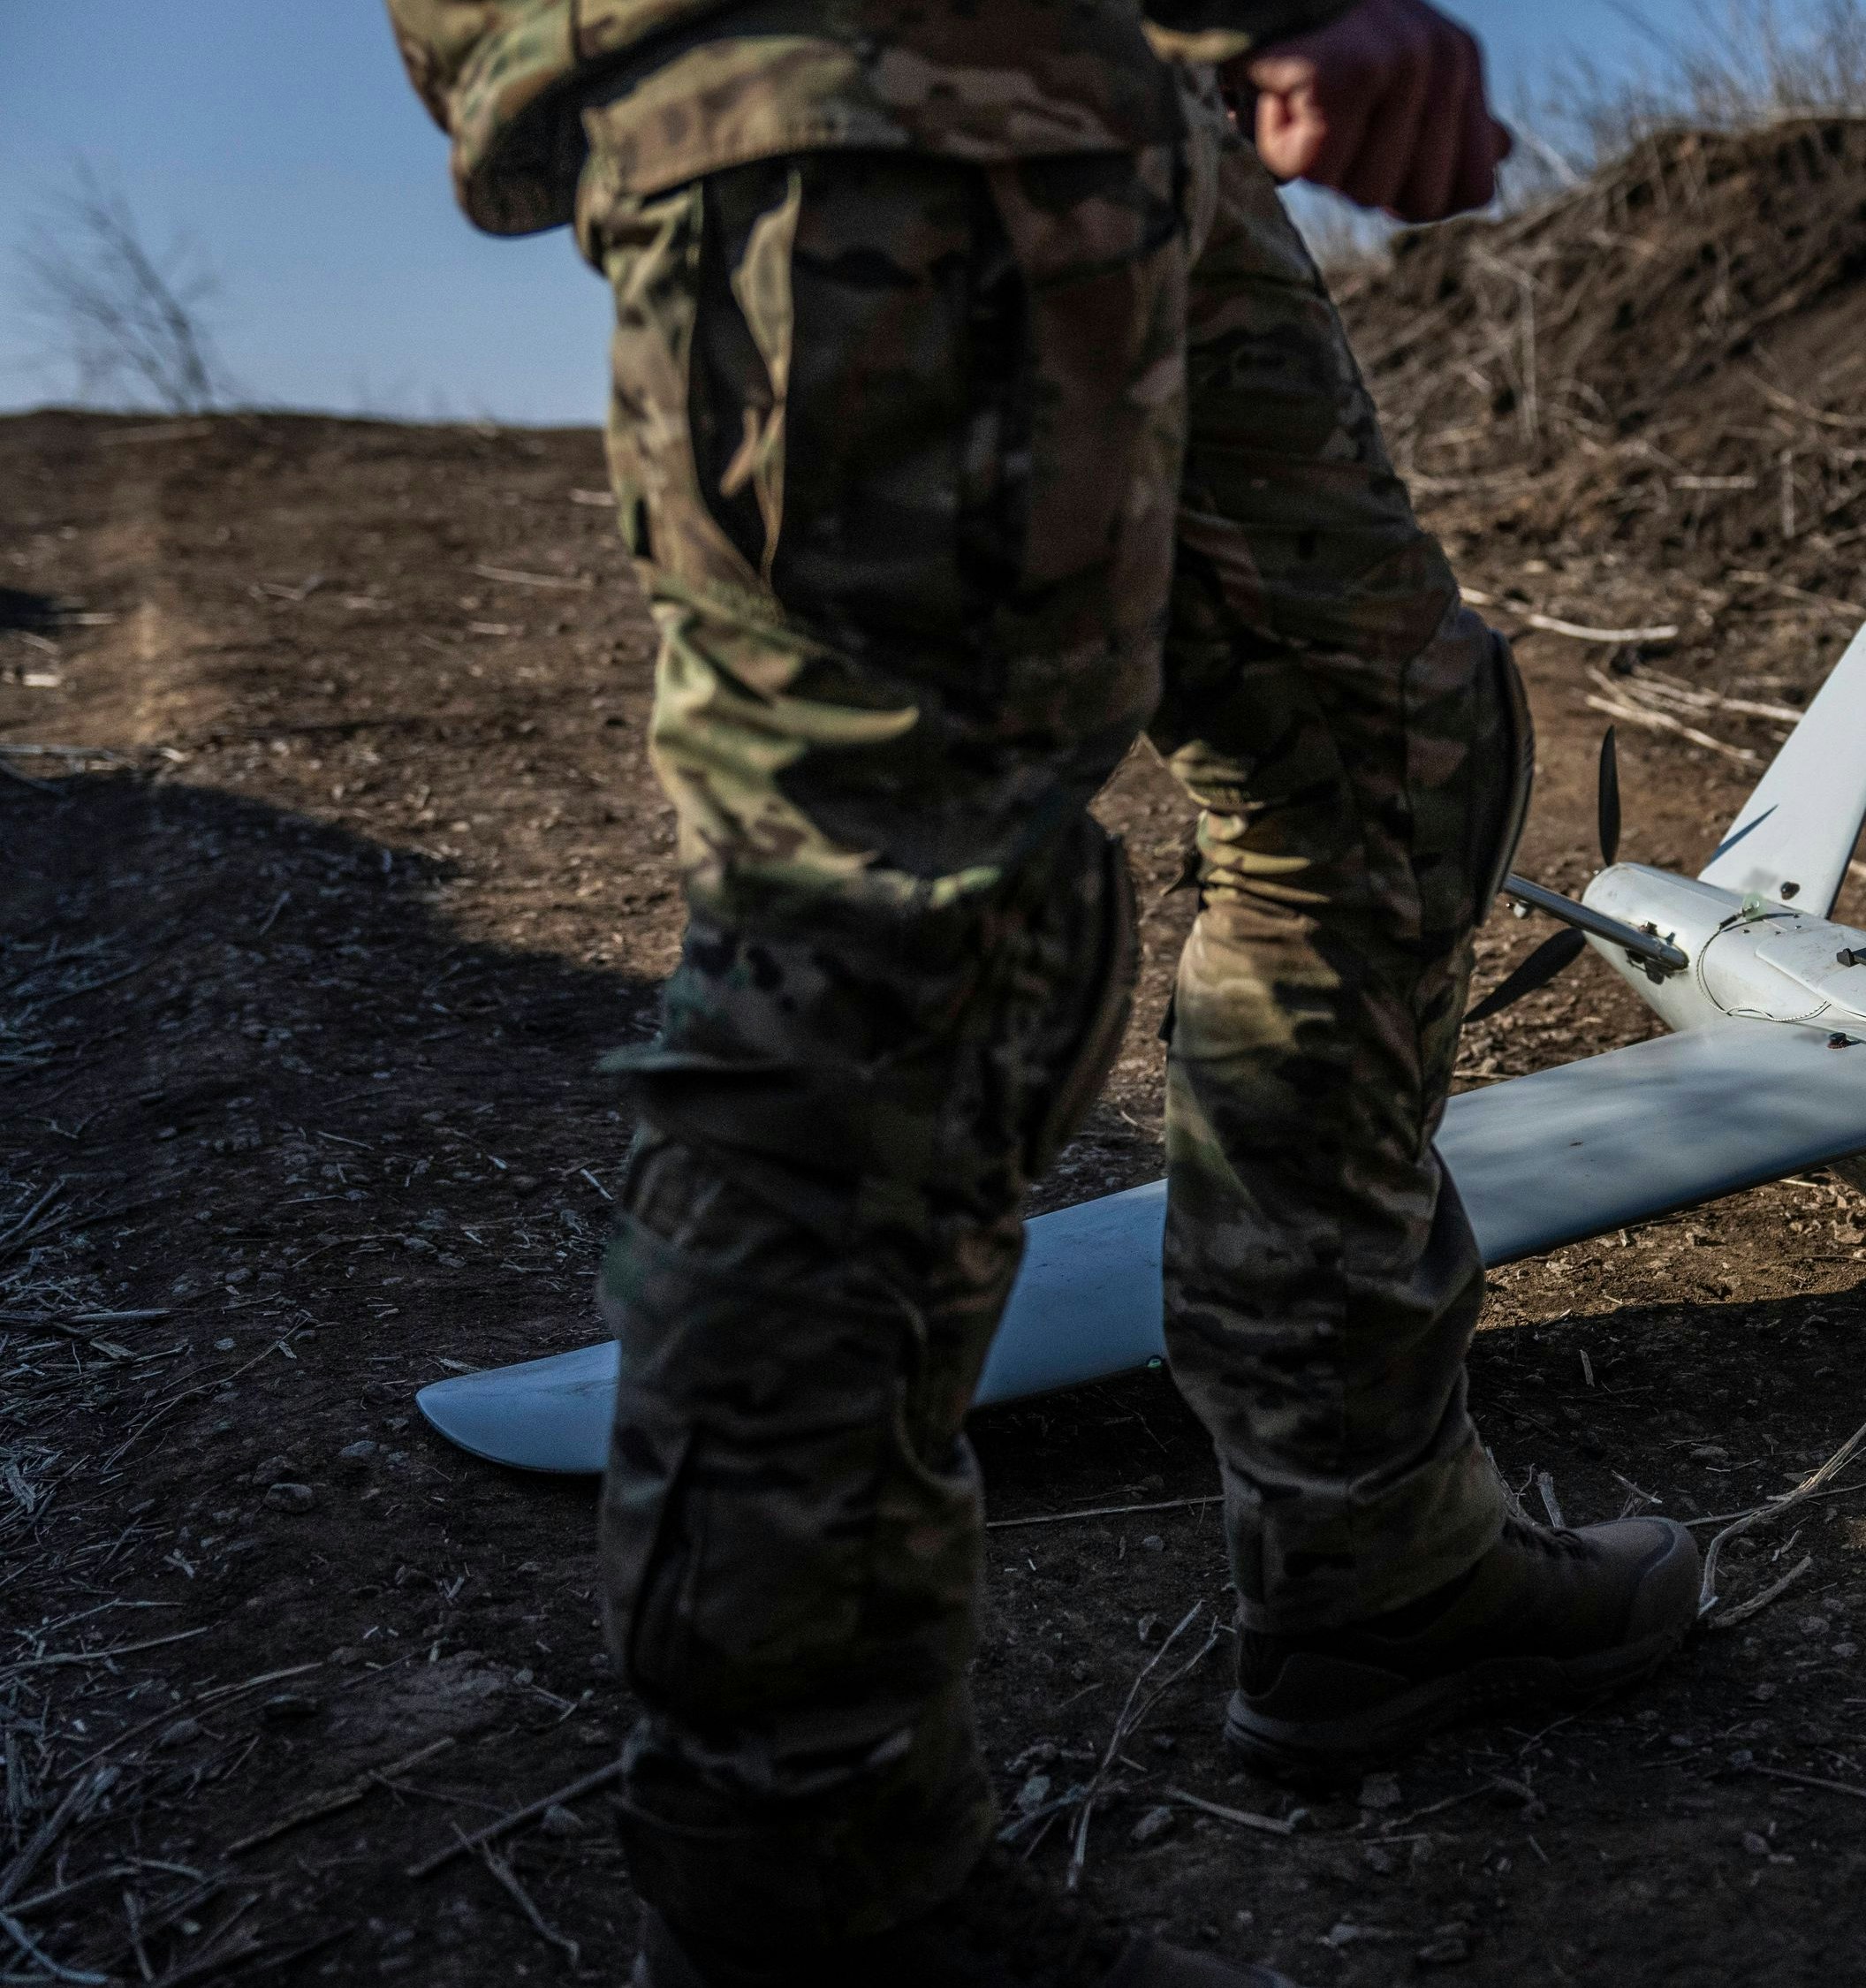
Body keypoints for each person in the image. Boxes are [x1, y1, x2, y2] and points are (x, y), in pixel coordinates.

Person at [380, 3, 1703, 1982]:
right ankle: (813, 1882)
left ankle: (1371, 1551)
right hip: (834, 59)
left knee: (1385, 748)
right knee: (903, 939)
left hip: (1097, 73)